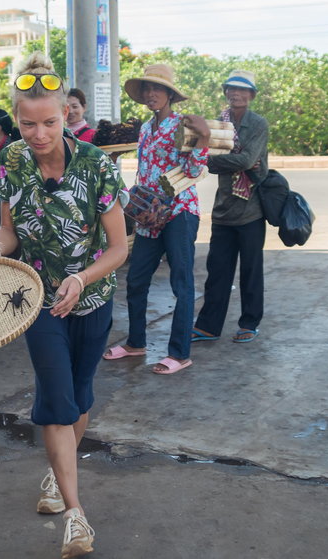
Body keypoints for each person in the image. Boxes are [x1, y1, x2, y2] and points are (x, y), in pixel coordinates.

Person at [0, 53, 128, 559]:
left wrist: (82, 278)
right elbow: (8, 232)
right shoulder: (11, 162)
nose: (38, 134)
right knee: (57, 401)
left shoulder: (97, 165)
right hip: (35, 298)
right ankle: (77, 516)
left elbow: (120, 248)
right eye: (26, 123)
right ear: (15, 119)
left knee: (80, 398)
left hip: (93, 298)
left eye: (49, 122)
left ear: (67, 113)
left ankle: (55, 476)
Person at [103, 64, 211, 375]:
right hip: (149, 214)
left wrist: (202, 138)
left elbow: (191, 172)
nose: (151, 94)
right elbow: (144, 171)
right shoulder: (145, 128)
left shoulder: (184, 124)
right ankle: (136, 342)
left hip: (179, 211)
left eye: (157, 89)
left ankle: (179, 353)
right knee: (136, 279)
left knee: (182, 282)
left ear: (169, 95)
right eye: (147, 89)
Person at [193, 70, 269, 344]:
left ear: (251, 95)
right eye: (231, 89)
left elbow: (248, 159)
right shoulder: (219, 124)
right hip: (224, 209)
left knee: (251, 271)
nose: (235, 94)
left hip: (251, 210)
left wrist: (235, 159)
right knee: (218, 272)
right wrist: (240, 161)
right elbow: (207, 162)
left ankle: (249, 323)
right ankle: (208, 326)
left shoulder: (258, 124)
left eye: (242, 90)